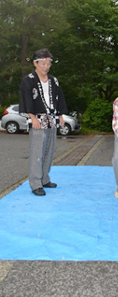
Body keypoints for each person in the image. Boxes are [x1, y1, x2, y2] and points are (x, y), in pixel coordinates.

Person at [19, 48, 68, 196]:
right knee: (37, 152)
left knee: (49, 150)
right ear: (35, 63)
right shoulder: (28, 80)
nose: (46, 67)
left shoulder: (54, 80)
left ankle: (45, 178)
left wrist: (60, 115)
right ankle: (35, 183)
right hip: (37, 119)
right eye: (43, 63)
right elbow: (26, 99)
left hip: (51, 118)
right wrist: (32, 117)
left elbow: (59, 98)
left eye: (48, 64)